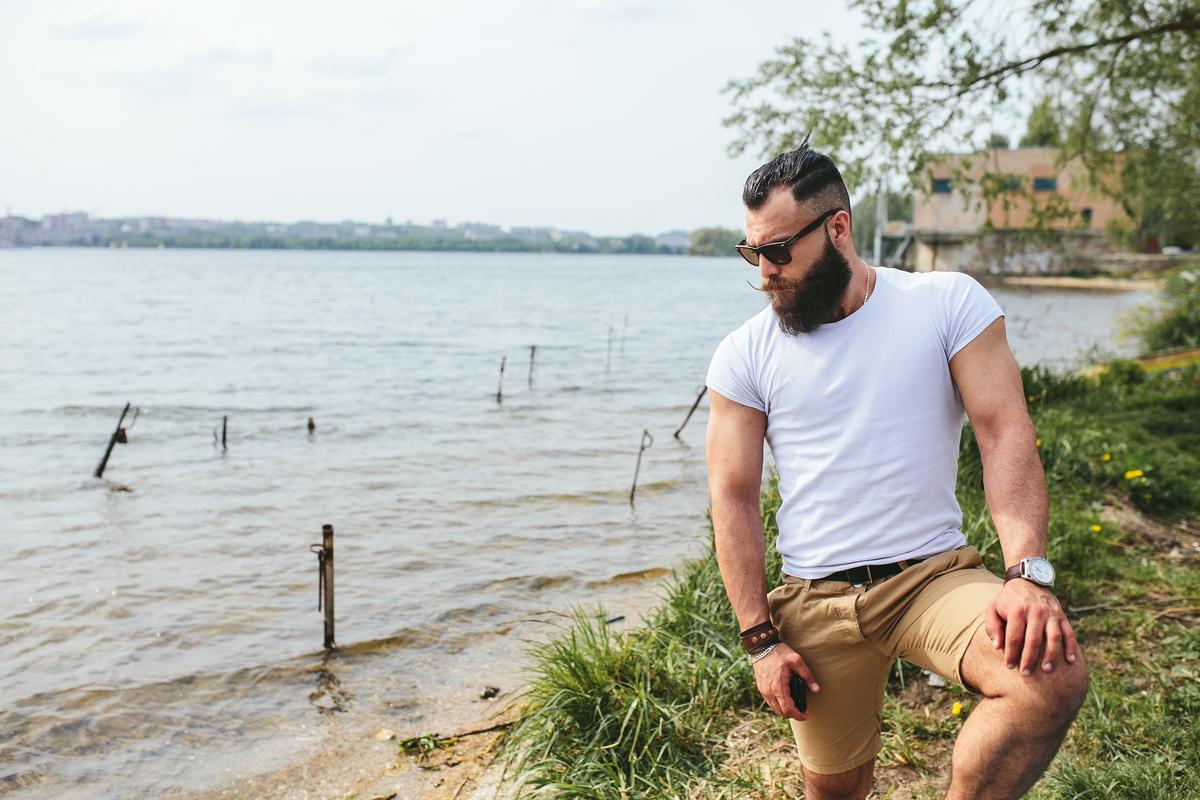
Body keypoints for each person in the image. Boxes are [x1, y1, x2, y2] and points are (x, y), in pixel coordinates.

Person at [704, 139, 1089, 800]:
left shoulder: (945, 304)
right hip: (815, 599)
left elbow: (1005, 434)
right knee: (837, 791)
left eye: (777, 252)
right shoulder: (744, 354)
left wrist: (1027, 572)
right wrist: (761, 642)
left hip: (932, 579)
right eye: (753, 253)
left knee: (1049, 676)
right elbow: (733, 496)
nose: (764, 273)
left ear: (838, 228)